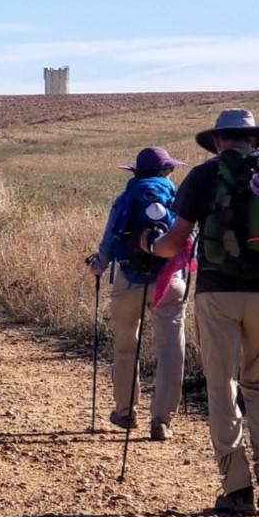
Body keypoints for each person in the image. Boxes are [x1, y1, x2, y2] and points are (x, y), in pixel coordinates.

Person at [147, 108, 259, 517]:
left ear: (218, 141)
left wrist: (149, 248)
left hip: (217, 292)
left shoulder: (205, 177)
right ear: (255, 141)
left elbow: (174, 242)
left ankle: (236, 486)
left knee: (222, 384)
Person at [84, 146, 188, 441]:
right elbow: (190, 239)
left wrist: (99, 266)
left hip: (128, 280)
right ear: (167, 171)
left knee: (126, 345)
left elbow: (110, 239)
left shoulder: (125, 199)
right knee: (170, 350)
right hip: (169, 281)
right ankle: (162, 421)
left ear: (136, 172)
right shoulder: (178, 198)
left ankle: (125, 410)